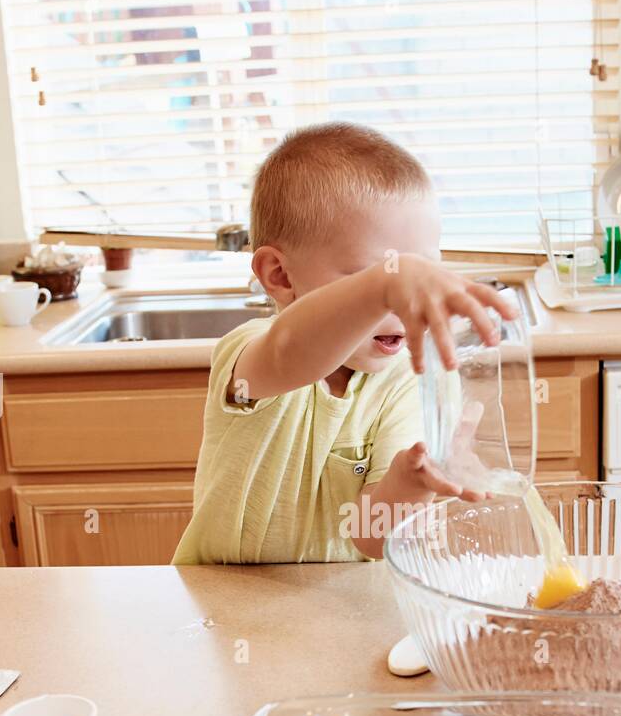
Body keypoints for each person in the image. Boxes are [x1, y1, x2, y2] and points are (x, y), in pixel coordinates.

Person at [173, 121, 514, 565]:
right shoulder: (250, 352)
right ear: (280, 275)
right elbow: (291, 352)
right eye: (368, 278)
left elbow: (369, 537)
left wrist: (413, 481)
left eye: (416, 278)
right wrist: (386, 285)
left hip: (343, 605)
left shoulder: (408, 380)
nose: (397, 307)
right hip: (224, 602)